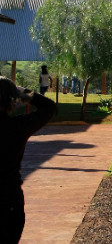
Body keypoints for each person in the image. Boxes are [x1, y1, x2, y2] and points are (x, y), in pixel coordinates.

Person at [1, 76, 56, 242]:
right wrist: (21, 90)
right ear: (12, 100)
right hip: (9, 198)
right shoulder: (17, 127)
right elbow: (48, 107)